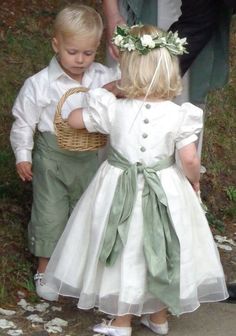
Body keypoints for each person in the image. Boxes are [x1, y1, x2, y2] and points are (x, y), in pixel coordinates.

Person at [44, 25, 228, 335]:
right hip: (165, 189)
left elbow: (72, 119)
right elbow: (190, 159)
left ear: (127, 71)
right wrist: (194, 182)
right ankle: (158, 317)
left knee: (123, 246)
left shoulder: (113, 109)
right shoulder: (178, 113)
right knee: (161, 247)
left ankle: (121, 321)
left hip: (118, 186)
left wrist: (107, 90)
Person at [10, 4, 119, 301]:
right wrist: (23, 154)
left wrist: (122, 62)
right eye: (73, 52)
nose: (81, 60)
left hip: (90, 157)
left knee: (87, 211)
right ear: (56, 44)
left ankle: (82, 270)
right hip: (52, 157)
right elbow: (24, 122)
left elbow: (123, 86)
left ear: (98, 48)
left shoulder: (100, 76)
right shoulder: (39, 84)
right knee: (50, 212)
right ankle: (45, 269)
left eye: (88, 52)